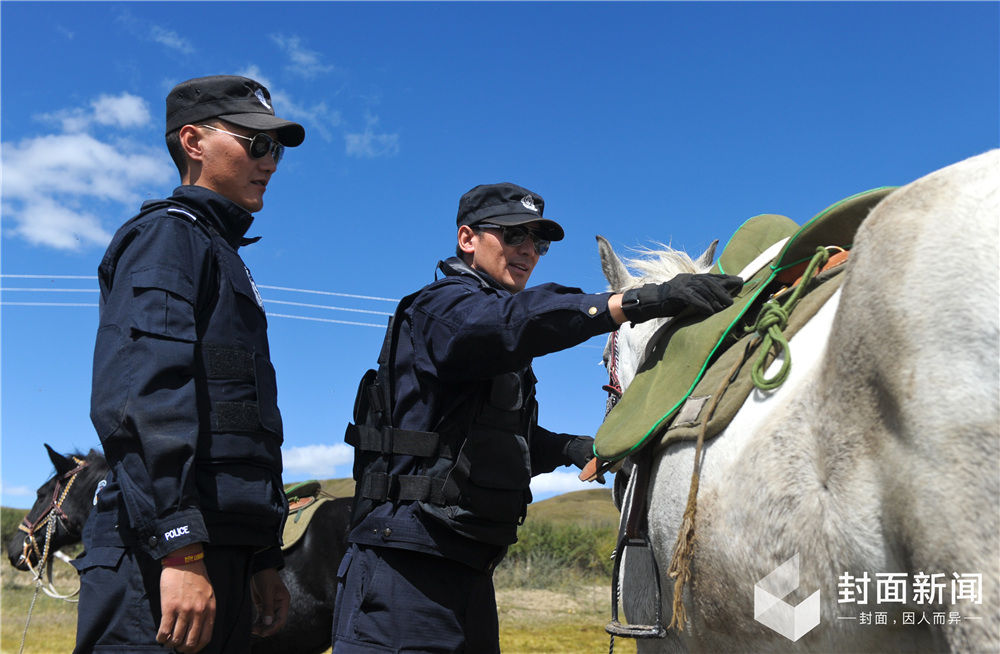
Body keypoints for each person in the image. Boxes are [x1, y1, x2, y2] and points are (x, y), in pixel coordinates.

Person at [333, 182, 743, 652]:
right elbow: (513, 323)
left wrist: (578, 448)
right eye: (513, 237)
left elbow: (507, 439)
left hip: (468, 569)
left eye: (539, 243)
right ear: (467, 239)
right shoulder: (442, 309)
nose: (528, 251)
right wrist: (634, 302)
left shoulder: (495, 329)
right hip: (403, 569)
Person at [73, 75, 305, 654]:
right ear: (194, 142)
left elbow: (235, 416)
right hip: (162, 557)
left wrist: (261, 557)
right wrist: (177, 544)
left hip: (222, 549)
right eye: (256, 142)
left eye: (274, 148)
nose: (269, 161)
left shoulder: (219, 251)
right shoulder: (166, 239)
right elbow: (142, 400)